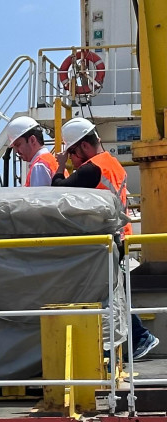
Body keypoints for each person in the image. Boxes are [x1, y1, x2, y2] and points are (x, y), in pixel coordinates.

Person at [52, 117, 160, 359]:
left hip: (104, 240)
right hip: (117, 237)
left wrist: (59, 167)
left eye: (71, 153)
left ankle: (139, 337)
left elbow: (57, 189)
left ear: (83, 147)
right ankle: (137, 338)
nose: (71, 159)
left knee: (109, 294)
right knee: (113, 291)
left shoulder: (92, 169)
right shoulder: (112, 163)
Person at [4, 116, 57, 187]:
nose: (16, 151)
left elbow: (39, 197)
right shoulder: (50, 161)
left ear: (32, 140)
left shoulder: (39, 166)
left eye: (18, 144)